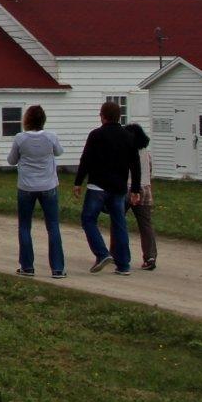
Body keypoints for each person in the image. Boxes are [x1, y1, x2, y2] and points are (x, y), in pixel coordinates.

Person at [73, 99, 141, 274]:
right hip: (119, 186)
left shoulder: (96, 135)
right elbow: (135, 165)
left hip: (98, 185)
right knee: (119, 223)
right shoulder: (129, 137)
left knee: (88, 219)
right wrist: (135, 189)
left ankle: (102, 253)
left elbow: (86, 159)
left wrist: (78, 182)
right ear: (119, 117)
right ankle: (123, 264)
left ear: (103, 116)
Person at [7, 104, 66, 278]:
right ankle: (57, 268)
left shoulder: (20, 138)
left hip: (26, 186)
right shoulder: (50, 137)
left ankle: (27, 266)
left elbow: (11, 160)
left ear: (27, 120)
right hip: (48, 185)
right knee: (53, 226)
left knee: (25, 226)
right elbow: (59, 152)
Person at [123, 115, 158, 270]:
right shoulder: (145, 152)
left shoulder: (126, 151)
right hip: (145, 188)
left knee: (118, 221)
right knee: (145, 225)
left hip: (126, 188)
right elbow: (149, 170)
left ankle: (116, 252)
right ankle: (150, 256)